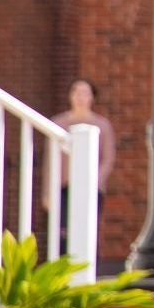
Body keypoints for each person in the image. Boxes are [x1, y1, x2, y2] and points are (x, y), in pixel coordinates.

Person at [45, 79, 118, 222]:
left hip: (92, 188)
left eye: (85, 93)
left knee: (89, 228)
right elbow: (50, 161)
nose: (80, 97)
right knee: (63, 232)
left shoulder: (102, 125)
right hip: (63, 187)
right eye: (76, 93)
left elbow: (108, 159)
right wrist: (47, 192)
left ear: (92, 97)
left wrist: (95, 180)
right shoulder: (58, 123)